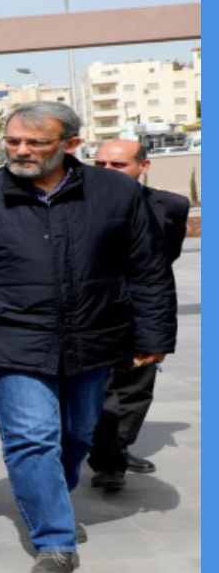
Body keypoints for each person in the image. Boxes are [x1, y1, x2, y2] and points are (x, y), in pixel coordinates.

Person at [0, 103, 175, 573]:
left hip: (93, 337)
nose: (21, 150)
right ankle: (54, 542)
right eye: (13, 141)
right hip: (11, 340)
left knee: (77, 434)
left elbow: (147, 270)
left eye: (36, 143)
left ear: (70, 144)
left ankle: (48, 497)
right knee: (32, 439)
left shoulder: (117, 193)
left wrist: (154, 336)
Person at [85, 139, 191, 490]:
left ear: (143, 167)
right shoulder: (74, 205)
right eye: (100, 164)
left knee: (134, 388)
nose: (107, 172)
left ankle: (113, 455)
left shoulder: (171, 206)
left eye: (118, 165)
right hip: (87, 313)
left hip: (139, 311)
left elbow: (164, 257)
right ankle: (103, 450)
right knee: (94, 390)